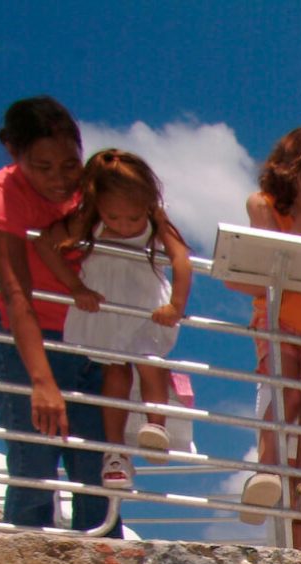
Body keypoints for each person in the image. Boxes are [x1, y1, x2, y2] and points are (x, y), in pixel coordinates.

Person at [0, 96, 117, 533]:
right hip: (22, 343)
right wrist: (41, 381)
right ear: (14, 154)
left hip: (85, 340)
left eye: (70, 165)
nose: (59, 179)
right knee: (35, 464)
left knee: (97, 467)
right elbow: (15, 294)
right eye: (42, 167)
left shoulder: (89, 189)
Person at [38, 150, 191, 492]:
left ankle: (156, 427)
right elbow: (47, 246)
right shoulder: (90, 220)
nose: (123, 226)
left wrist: (177, 304)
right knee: (115, 371)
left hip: (146, 308)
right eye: (115, 217)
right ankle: (115, 452)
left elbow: (181, 258)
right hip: (109, 310)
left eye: (133, 219)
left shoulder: (156, 220)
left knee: (151, 363)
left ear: (148, 205)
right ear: (100, 206)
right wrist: (76, 287)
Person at [235, 126, 301, 522]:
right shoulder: (263, 205)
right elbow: (276, 261)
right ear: (294, 172)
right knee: (286, 392)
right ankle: (268, 472)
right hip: (279, 319)